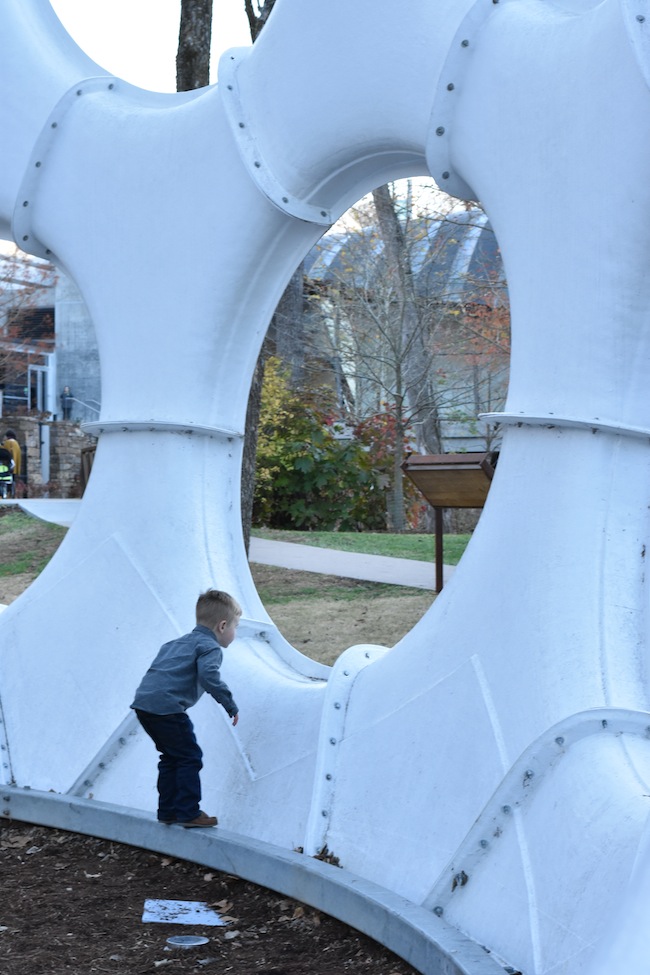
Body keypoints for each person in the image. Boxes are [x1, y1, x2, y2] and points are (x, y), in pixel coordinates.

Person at [131, 589, 241, 828]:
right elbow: (210, 677)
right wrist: (229, 704)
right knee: (190, 757)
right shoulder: (210, 647)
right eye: (236, 626)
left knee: (171, 757)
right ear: (222, 626)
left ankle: (167, 810)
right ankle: (188, 812)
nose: (235, 632)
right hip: (167, 708)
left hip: (144, 704)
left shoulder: (174, 644)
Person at [2, 430, 20, 497]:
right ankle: (10, 493)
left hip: (6, 465)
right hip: (13, 466)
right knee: (12, 479)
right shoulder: (16, 443)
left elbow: (5, 451)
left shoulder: (8, 443)